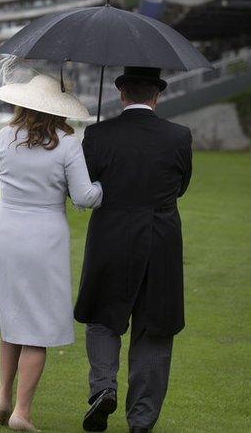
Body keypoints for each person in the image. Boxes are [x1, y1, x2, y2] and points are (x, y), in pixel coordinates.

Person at [0, 72, 103, 431]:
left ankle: (2, 395)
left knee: (12, 316)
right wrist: (99, 185)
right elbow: (84, 197)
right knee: (37, 324)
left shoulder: (3, 137)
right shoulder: (67, 144)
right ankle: (21, 411)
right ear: (58, 109)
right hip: (43, 235)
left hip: (4, 230)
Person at [75, 66, 193, 433]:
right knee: (154, 326)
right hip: (160, 237)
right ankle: (141, 419)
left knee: (102, 318)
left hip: (111, 234)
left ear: (122, 94)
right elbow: (181, 186)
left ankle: (103, 388)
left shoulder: (97, 134)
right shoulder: (178, 136)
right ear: (156, 96)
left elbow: (85, 187)